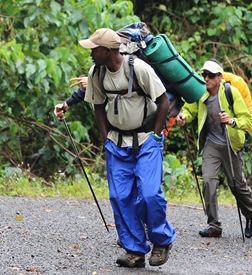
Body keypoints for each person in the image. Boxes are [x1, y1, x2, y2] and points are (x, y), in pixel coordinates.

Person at [77, 28, 176, 268]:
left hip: (146, 141)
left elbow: (164, 102)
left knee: (150, 194)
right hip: (117, 143)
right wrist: (105, 139)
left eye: (94, 49)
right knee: (120, 197)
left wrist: (156, 134)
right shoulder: (96, 73)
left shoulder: (138, 69)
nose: (90, 53)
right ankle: (134, 250)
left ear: (108, 50)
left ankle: (161, 242)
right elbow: (98, 107)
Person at [176, 60, 252, 238]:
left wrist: (232, 121)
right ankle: (214, 225)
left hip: (231, 143)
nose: (206, 78)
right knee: (208, 181)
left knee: (237, 185)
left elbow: (247, 119)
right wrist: (183, 117)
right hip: (211, 144)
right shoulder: (201, 92)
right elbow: (189, 109)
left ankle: (250, 215)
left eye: (210, 75)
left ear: (219, 77)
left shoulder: (230, 92)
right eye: (204, 75)